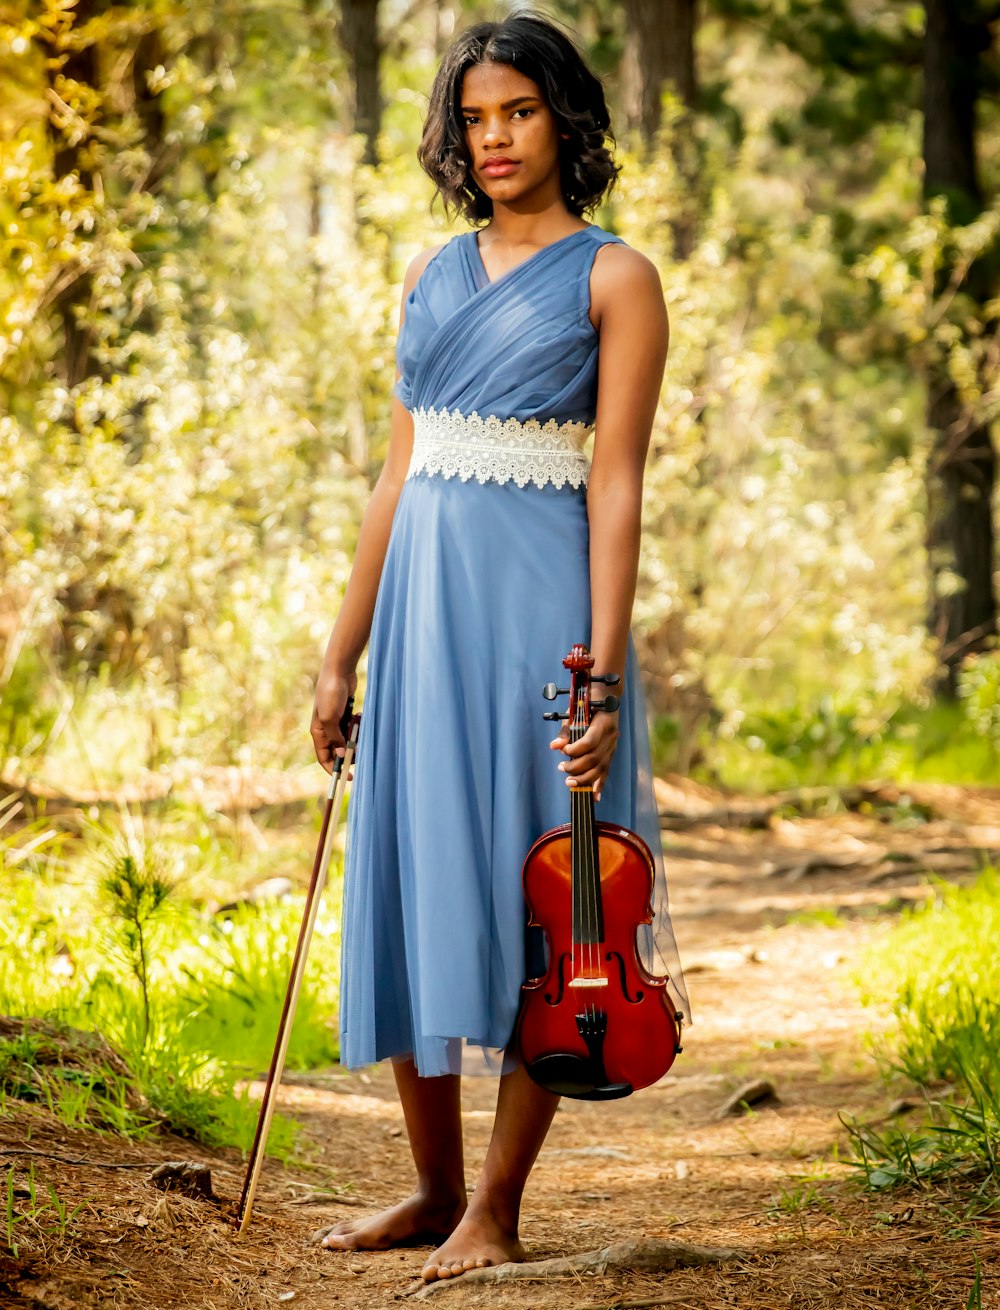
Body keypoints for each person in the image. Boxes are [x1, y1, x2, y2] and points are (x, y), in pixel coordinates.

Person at [309, 11, 689, 1284]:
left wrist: (603, 665)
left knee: (550, 891)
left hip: (539, 613)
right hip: (421, 610)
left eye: (517, 111)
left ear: (563, 117)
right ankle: (425, 1186)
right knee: (417, 864)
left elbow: (619, 483)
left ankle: (495, 1206)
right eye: (474, 119)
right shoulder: (428, 274)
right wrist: (339, 649)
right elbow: (397, 469)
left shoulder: (612, 276)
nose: (494, 139)